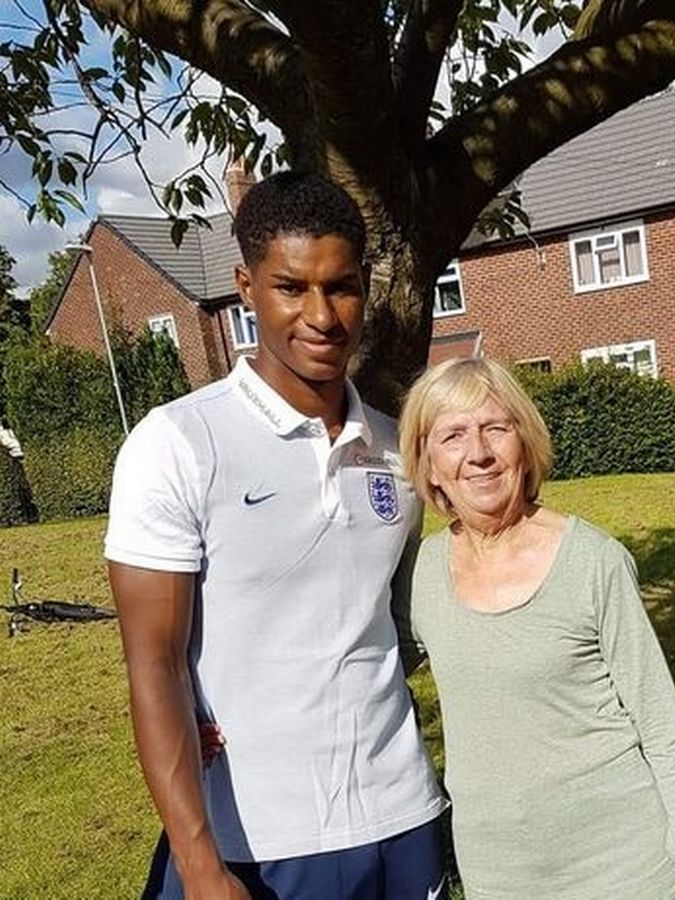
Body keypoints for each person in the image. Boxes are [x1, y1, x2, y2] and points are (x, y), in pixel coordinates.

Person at [105, 171, 448, 900]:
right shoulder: (179, 443)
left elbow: (406, 624)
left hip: (403, 814)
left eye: (342, 287)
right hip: (256, 841)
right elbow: (153, 664)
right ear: (245, 286)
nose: (322, 315)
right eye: (291, 287)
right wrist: (199, 864)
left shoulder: (397, 451)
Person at [395, 357, 675, 899]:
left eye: (495, 428)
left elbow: (661, 725)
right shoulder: (418, 578)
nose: (478, 452)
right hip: (501, 876)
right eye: (453, 435)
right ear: (429, 464)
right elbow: (360, 672)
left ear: (525, 444)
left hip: (627, 867)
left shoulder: (594, 561)